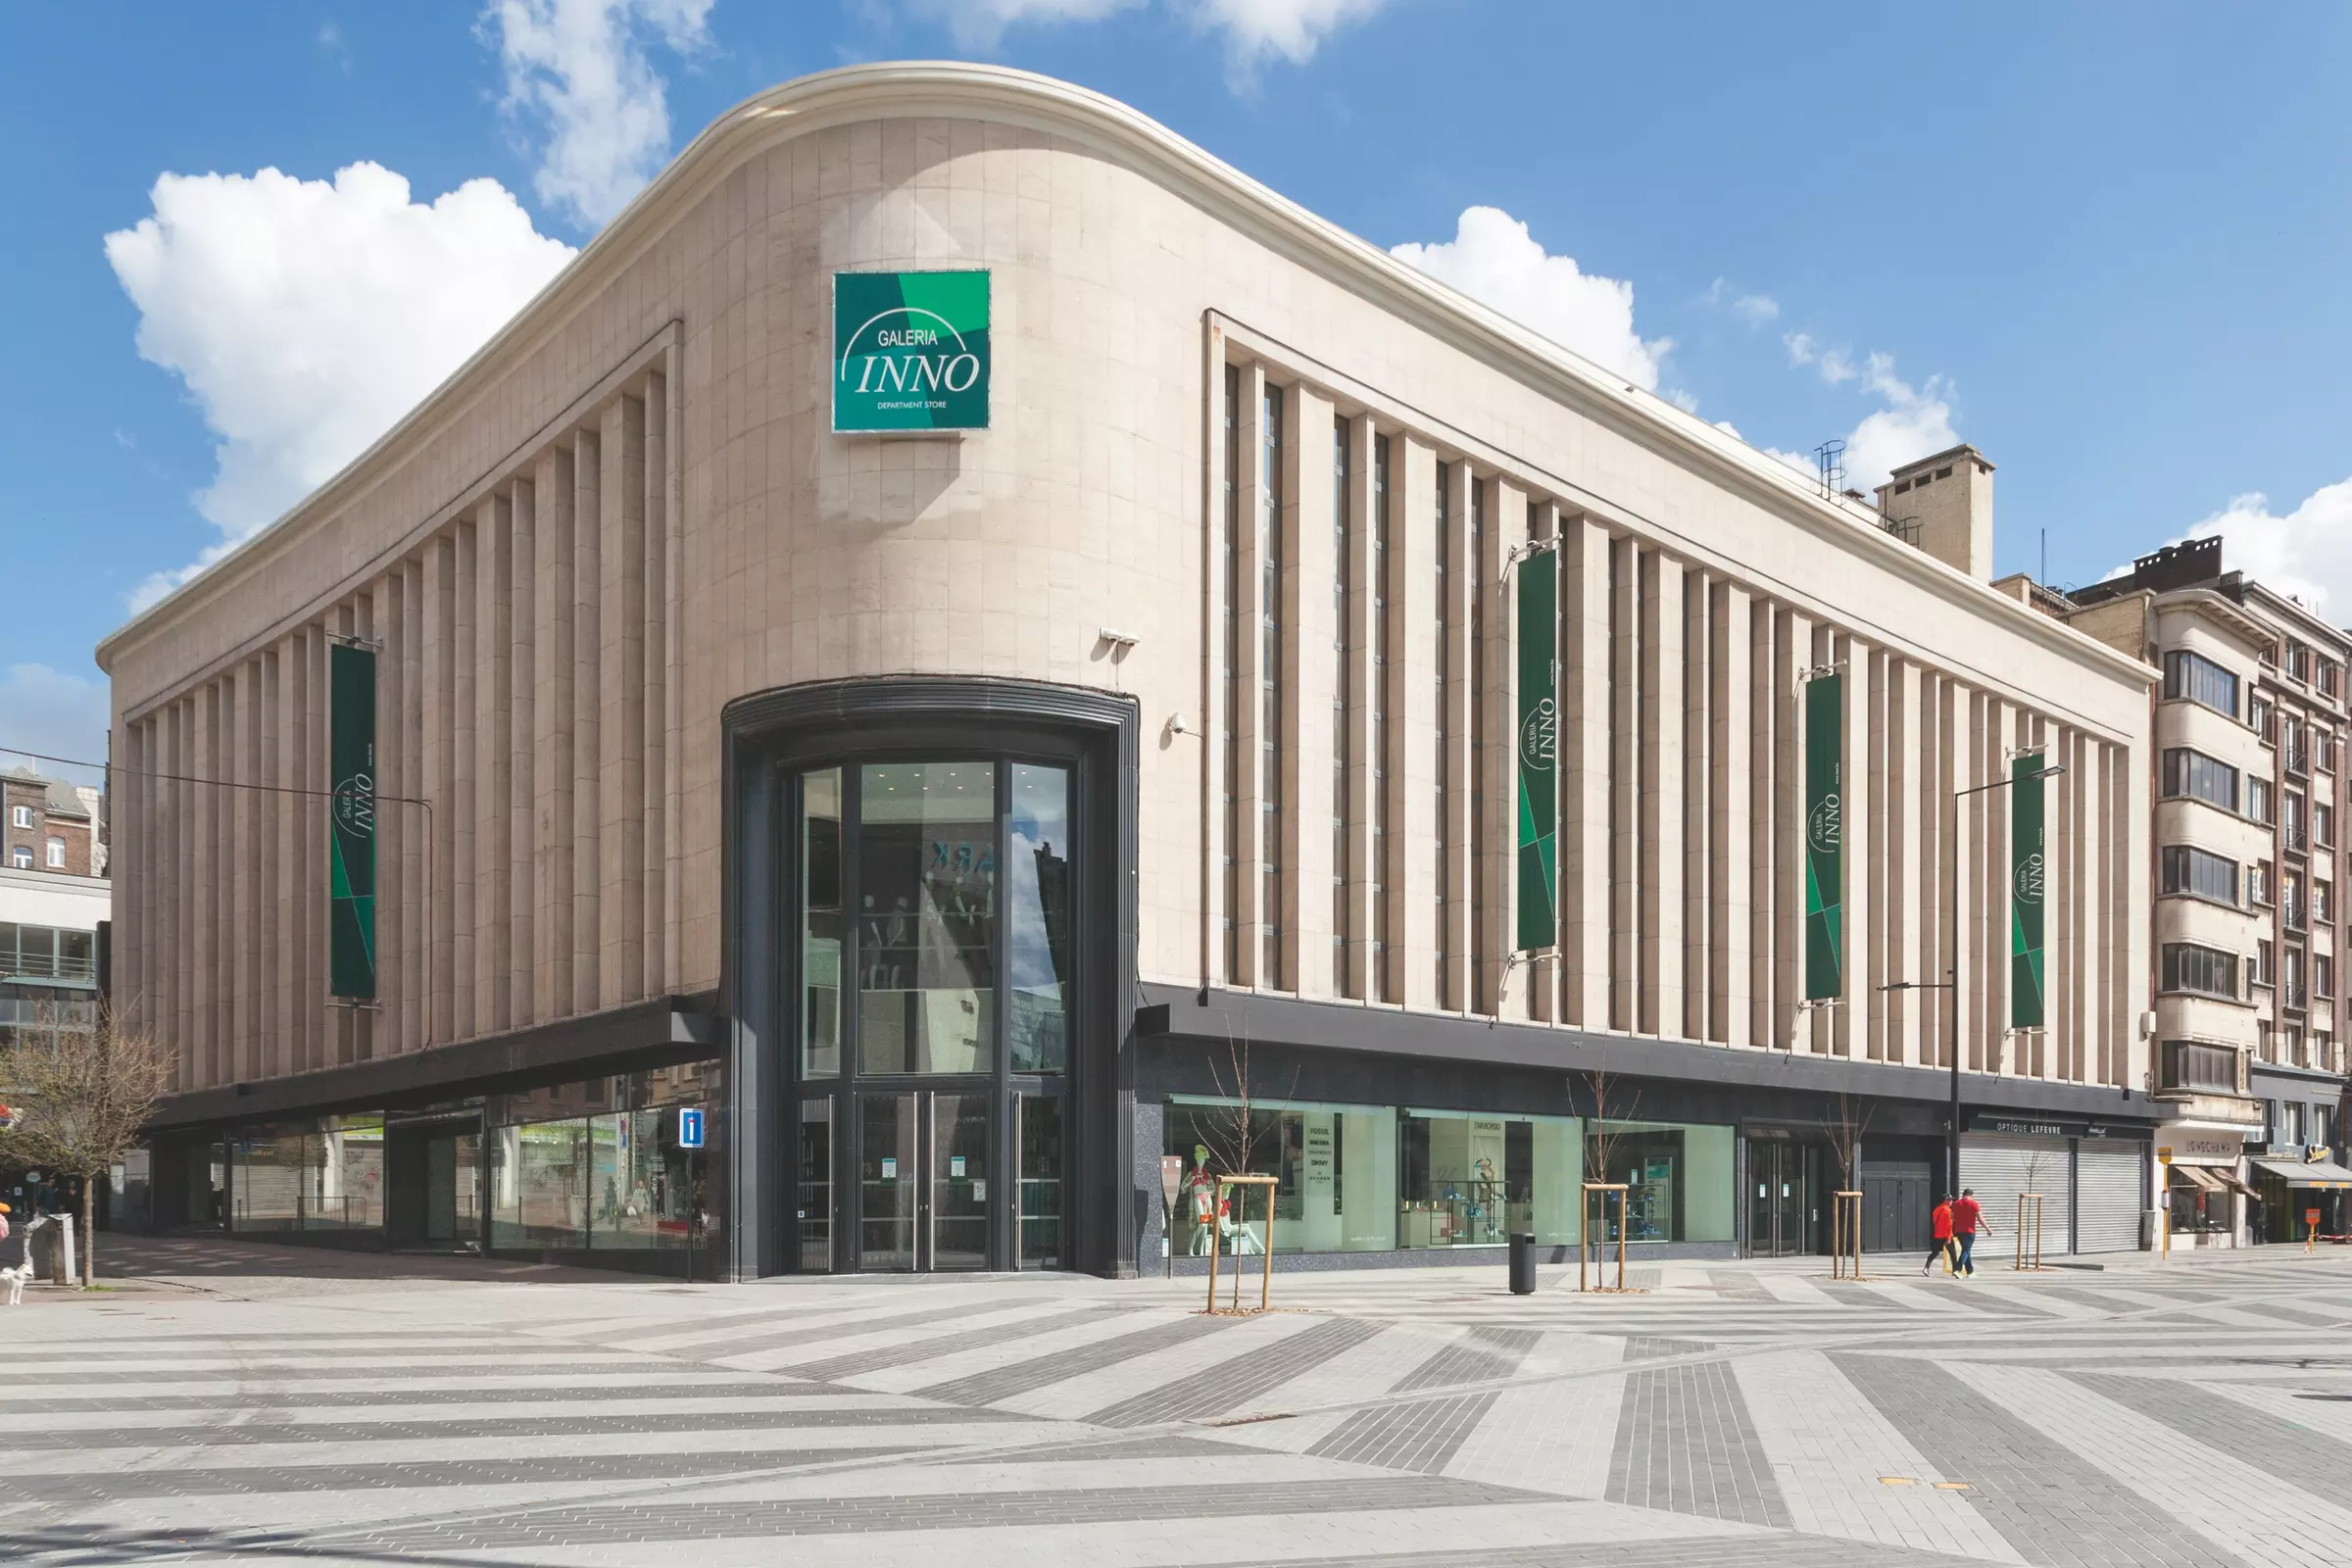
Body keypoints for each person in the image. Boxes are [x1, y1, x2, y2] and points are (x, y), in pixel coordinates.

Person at [1951, 1187, 1992, 1276]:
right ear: (1971, 1195)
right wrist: (1988, 1228)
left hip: (1958, 1231)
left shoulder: (1956, 1203)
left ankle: (1970, 1271)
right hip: (1969, 1231)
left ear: (1963, 1194)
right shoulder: (1973, 1204)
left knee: (1966, 1250)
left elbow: (1951, 1217)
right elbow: (1980, 1218)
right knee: (1966, 1251)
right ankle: (1957, 1269)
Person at [1924, 1194, 1955, 1276]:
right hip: (1946, 1235)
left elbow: (1935, 1222)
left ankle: (1926, 1267)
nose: (1952, 1202)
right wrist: (1949, 1237)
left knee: (1935, 1252)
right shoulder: (1948, 1211)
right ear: (1946, 1200)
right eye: (1951, 1200)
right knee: (1953, 1254)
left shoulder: (1936, 1210)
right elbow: (1949, 1225)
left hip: (1938, 1234)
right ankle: (1955, 1270)